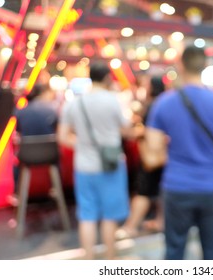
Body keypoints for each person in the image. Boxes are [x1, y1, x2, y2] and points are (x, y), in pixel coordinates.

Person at [145, 46, 213, 260]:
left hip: (177, 185)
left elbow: (153, 149)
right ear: (206, 66)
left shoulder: (164, 103)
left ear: (181, 65)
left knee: (174, 250)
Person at [58, 62, 132, 259]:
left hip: (83, 166)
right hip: (111, 164)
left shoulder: (74, 103)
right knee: (110, 216)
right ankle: (109, 259)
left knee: (87, 215)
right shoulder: (114, 100)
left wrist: (82, 145)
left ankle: (88, 259)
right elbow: (127, 130)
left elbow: (63, 136)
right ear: (107, 77)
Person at [116, 76, 165, 239]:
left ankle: (131, 226)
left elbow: (149, 131)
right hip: (165, 155)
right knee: (161, 189)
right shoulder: (165, 103)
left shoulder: (152, 106)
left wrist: (133, 131)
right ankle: (160, 221)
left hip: (151, 155)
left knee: (144, 190)